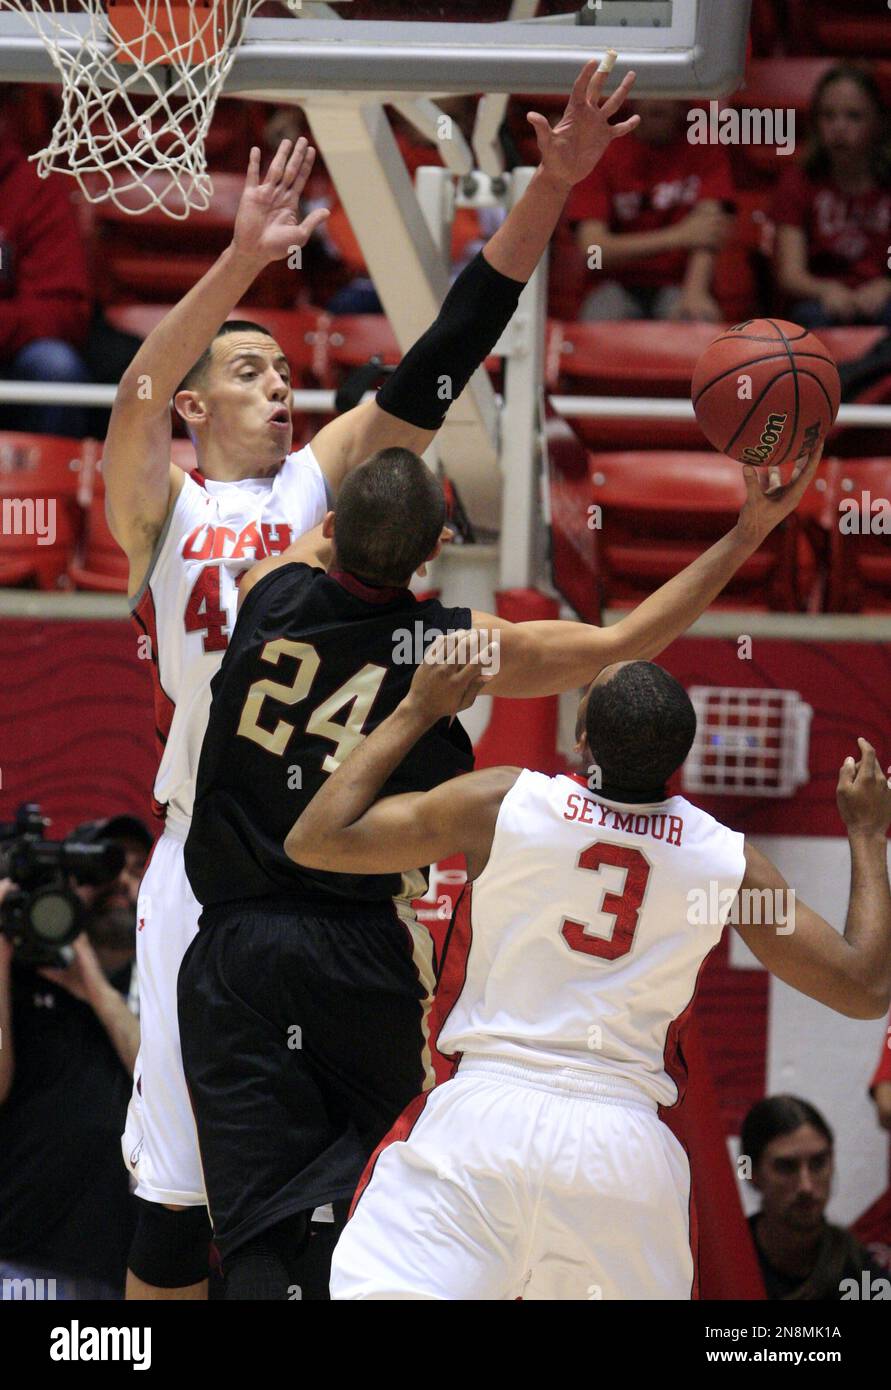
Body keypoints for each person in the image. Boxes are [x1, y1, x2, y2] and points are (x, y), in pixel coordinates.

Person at [104, 55, 643, 1300]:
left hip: (344, 868)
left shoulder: (327, 486)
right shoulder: (162, 505)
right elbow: (134, 391)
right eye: (247, 371)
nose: (280, 381)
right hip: (210, 863)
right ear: (193, 405)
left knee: (379, 1188)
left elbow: (449, 349)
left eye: (285, 368)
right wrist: (239, 258)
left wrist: (551, 190)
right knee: (174, 1208)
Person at [177, 440, 822, 1300]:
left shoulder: (266, 590)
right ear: (437, 548)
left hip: (232, 940)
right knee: (369, 1195)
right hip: (362, 944)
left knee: (255, 1222)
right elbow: (626, 641)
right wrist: (748, 531)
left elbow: (332, 520)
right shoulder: (456, 651)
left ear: (330, 530)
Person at [282, 652, 891, 1301]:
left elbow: (317, 838)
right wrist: (866, 832)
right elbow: (862, 986)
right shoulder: (722, 862)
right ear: (675, 762)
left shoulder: (502, 801)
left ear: (581, 744)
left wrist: (417, 708)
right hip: (620, 1154)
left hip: (484, 1124)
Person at [0, 815, 150, 1300]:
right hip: (17, 1260)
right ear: (67, 883)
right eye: (104, 868)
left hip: (118, 1269)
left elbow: (162, 1082)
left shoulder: (160, 986)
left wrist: (91, 984)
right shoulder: (20, 977)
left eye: (135, 869)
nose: (121, 883)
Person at [568, 99, 734, 323]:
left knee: (699, 323)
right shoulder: (600, 149)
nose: (659, 101)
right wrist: (679, 236)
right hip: (610, 285)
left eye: (668, 92)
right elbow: (593, 254)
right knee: (599, 319)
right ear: (632, 97)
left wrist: (695, 292)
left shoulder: (704, 143)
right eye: (650, 90)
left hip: (679, 284)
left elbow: (709, 232)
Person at [773, 65, 891, 329]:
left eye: (854, 116)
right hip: (819, 300)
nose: (839, 127)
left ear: (880, 122)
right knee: (810, 318)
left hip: (882, 298)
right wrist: (826, 290)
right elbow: (791, 274)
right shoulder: (799, 181)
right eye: (828, 116)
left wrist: (886, 286)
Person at [742, 1095, 888, 1301]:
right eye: (786, 1167)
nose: (806, 1186)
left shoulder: (861, 1276)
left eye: (818, 1163)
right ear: (750, 1172)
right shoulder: (722, 1262)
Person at [0, 135, 92, 437]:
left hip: (10, 355)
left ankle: (59, 483)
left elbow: (63, 312)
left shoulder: (31, 184)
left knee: (55, 366)